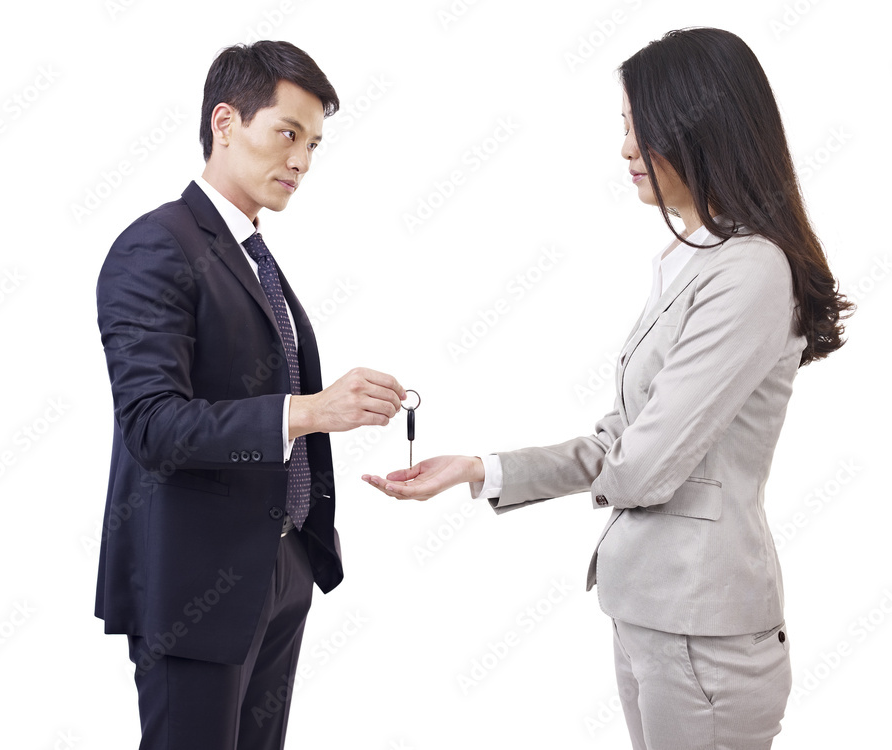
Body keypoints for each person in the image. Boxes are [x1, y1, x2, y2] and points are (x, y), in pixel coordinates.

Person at [363, 27, 852, 750]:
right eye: (624, 127)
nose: (626, 149)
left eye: (639, 127)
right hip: (655, 615)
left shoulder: (749, 271)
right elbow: (621, 441)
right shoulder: (691, 260)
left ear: (701, 125)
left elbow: (645, 464)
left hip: (703, 632)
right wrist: (480, 469)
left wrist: (620, 468)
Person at [95, 40, 406, 750]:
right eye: (287, 134)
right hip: (194, 589)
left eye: (314, 144)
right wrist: (310, 411)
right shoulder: (155, 247)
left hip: (278, 567)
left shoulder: (252, 253)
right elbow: (153, 425)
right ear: (226, 122)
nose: (300, 161)